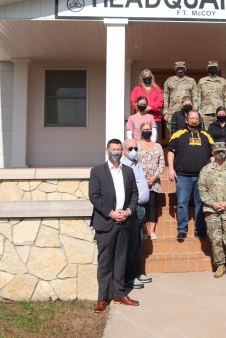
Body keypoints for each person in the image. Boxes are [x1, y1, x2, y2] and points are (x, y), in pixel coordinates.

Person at [89, 138, 139, 311]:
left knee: (120, 260)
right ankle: (102, 298)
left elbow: (134, 194)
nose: (116, 152)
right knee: (105, 262)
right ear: (107, 150)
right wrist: (111, 213)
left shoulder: (128, 171)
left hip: (125, 222)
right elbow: (94, 196)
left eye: (119, 149)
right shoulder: (97, 171)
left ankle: (119, 294)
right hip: (106, 223)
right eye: (113, 149)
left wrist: (128, 212)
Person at [198, 141, 226, 280]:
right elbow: (202, 188)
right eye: (217, 151)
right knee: (215, 239)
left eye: (222, 151)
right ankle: (220, 265)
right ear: (213, 153)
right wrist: (213, 204)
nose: (220, 153)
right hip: (212, 211)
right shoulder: (206, 170)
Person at [167, 110, 214, 242]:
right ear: (186, 120)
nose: (194, 120)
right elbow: (170, 152)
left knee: (201, 203)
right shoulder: (178, 134)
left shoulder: (206, 135)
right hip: (183, 176)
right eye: (191, 118)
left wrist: (213, 171)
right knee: (182, 203)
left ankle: (200, 230)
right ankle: (182, 230)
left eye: (196, 118)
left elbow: (212, 155)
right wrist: (170, 169)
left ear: (199, 120)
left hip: (202, 176)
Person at [121, 138, 151, 290]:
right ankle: (130, 277)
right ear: (124, 150)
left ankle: (137, 273)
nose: (133, 151)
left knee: (138, 242)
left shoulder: (136, 163)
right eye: (130, 148)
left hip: (141, 207)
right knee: (131, 243)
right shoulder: (123, 166)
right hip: (132, 208)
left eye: (135, 148)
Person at [137, 121, 165, 241]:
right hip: (140, 181)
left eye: (149, 130)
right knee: (142, 206)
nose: (147, 132)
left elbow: (162, 163)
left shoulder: (158, 146)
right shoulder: (136, 146)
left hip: (154, 182)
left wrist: (154, 177)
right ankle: (144, 230)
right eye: (145, 130)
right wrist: (142, 179)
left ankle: (152, 231)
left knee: (152, 205)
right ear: (140, 131)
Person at [163, 61, 199, 128]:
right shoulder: (169, 80)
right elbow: (165, 96)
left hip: (188, 112)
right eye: (178, 68)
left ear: (185, 69)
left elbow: (195, 97)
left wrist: (195, 111)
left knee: (190, 130)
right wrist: (165, 112)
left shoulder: (191, 81)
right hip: (173, 112)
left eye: (182, 68)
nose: (180, 70)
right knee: (173, 132)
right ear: (175, 69)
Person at [198, 61, 226, 128]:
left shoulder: (223, 81)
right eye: (211, 67)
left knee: (219, 132)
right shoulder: (202, 81)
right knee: (206, 133)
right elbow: (197, 97)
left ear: (217, 69)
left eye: (214, 67)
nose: (213, 69)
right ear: (207, 69)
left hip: (220, 113)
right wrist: (198, 110)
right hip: (205, 112)